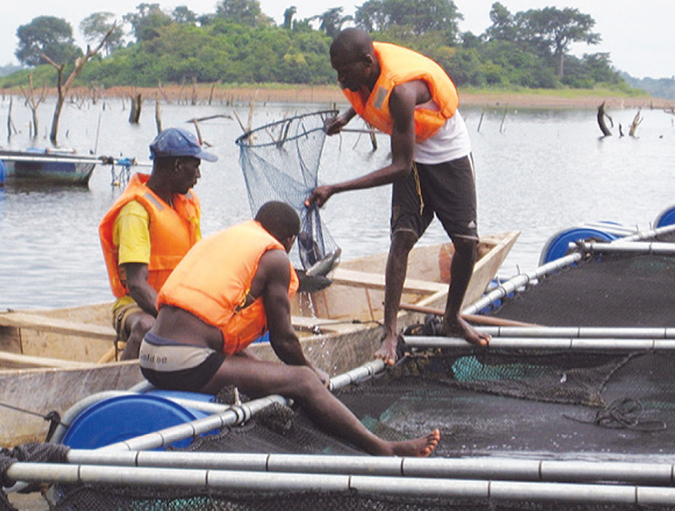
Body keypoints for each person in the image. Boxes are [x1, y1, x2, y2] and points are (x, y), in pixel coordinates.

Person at [139, 201, 440, 457]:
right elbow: (283, 341)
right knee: (303, 381)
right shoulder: (275, 257)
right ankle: (383, 449)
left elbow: (213, 325)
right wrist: (311, 372)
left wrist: (265, 371)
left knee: (272, 372)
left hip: (149, 357)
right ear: (291, 239)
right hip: (185, 363)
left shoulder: (228, 240)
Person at [305, 28, 491, 365]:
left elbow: (401, 167)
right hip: (412, 150)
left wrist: (336, 187)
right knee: (402, 238)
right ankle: (390, 332)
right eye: (336, 71)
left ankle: (452, 317)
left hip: (446, 153)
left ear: (367, 61)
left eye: (344, 71)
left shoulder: (403, 92)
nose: (340, 78)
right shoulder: (361, 74)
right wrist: (346, 117)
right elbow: (368, 96)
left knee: (467, 243)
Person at [99, 127, 217, 360]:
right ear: (177, 167)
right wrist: (175, 320)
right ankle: (122, 385)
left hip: (180, 306)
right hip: (137, 306)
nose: (198, 176)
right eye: (196, 167)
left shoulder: (188, 203)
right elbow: (137, 286)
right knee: (147, 328)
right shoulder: (136, 211)